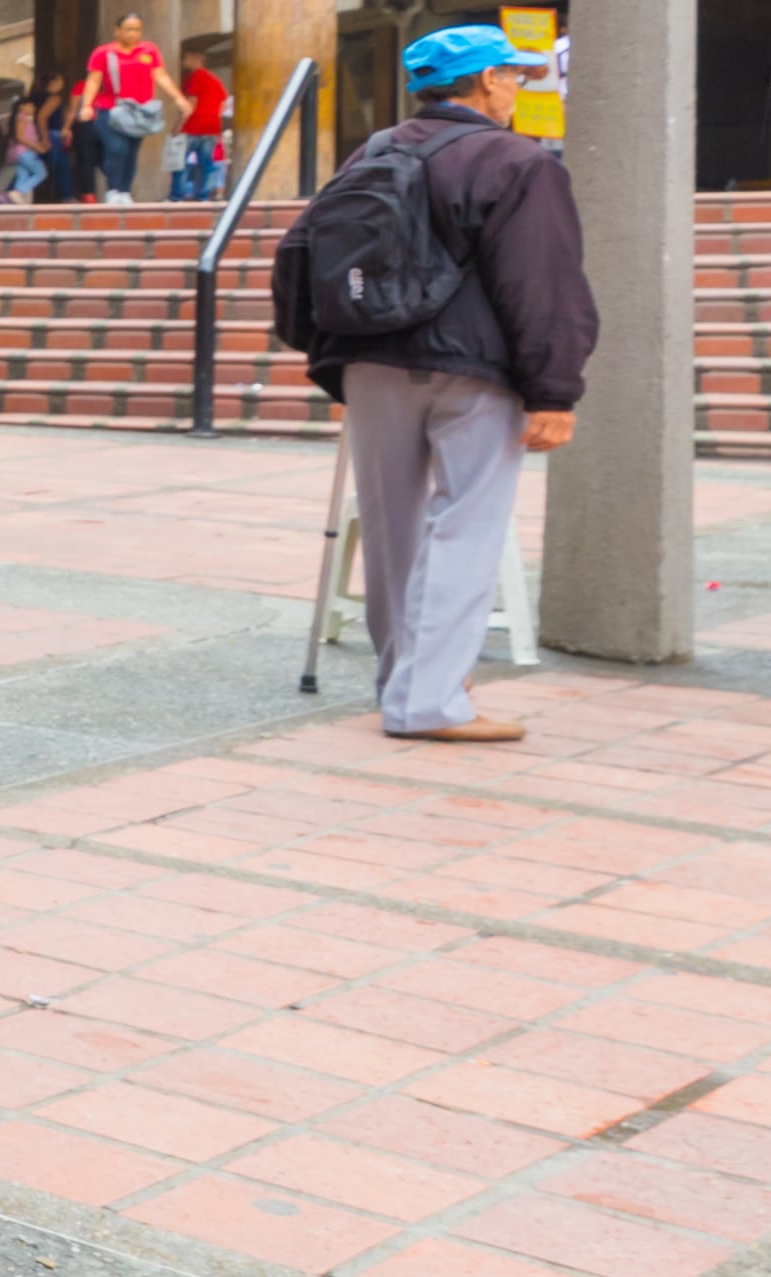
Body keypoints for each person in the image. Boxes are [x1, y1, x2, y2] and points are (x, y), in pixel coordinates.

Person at [287, 24, 592, 744]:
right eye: (512, 76)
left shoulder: (374, 151)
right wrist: (555, 388)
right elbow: (541, 280)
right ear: (486, 81)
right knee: (465, 527)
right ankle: (428, 701)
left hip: (370, 364)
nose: (518, 87)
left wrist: (328, 349)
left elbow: (299, 251)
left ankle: (405, 683)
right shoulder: (516, 160)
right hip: (473, 371)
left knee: (392, 533)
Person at [80, 12, 167, 198]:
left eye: (137, 30)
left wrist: (179, 98)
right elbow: (93, 81)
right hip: (109, 109)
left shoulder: (149, 51)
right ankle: (113, 189)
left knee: (131, 151)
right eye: (128, 29)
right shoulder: (103, 53)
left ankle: (125, 192)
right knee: (116, 147)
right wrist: (86, 105)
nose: (133, 34)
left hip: (138, 112)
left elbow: (160, 76)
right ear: (117, 31)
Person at [170, 53, 231, 196]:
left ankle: (177, 196)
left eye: (185, 58)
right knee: (207, 164)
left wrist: (178, 126)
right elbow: (223, 104)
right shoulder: (216, 80)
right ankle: (203, 196)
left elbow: (191, 102)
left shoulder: (197, 77)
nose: (183, 62)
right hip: (212, 127)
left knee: (180, 163)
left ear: (196, 59)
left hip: (192, 126)